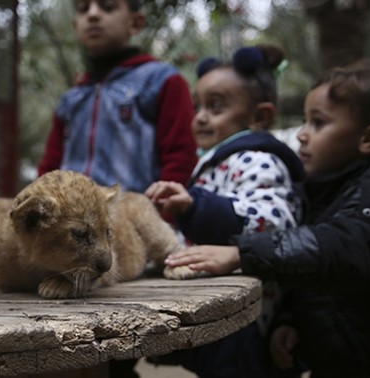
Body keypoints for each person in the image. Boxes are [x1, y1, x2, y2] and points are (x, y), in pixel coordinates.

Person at [165, 59, 370, 377]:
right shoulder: (327, 188)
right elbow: (318, 279)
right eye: (305, 122)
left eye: (318, 123)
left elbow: (341, 248)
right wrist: (291, 322)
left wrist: (243, 252)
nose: (302, 136)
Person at [145, 45, 305, 377]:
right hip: (222, 314)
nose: (200, 116)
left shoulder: (258, 159)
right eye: (197, 106)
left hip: (249, 320)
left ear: (259, 117)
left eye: (215, 106)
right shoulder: (217, 161)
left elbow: (275, 222)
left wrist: (195, 205)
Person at [37, 0, 197, 193]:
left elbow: (181, 157)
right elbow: (49, 167)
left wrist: (163, 216)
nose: (93, 14)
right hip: (70, 219)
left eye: (108, 6)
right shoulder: (72, 98)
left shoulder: (162, 81)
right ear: (75, 25)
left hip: (134, 218)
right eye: (83, 9)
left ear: (135, 23)